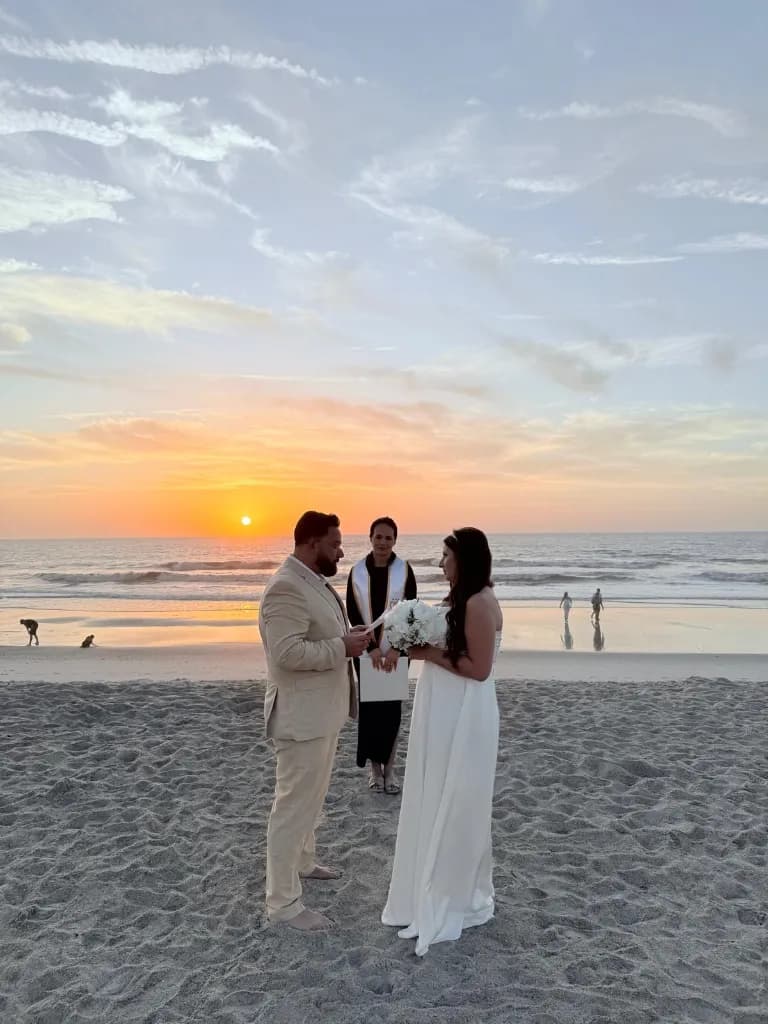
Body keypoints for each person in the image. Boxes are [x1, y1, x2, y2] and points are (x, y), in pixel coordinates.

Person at [382, 527, 502, 956]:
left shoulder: (478, 602)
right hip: (446, 709)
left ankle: (451, 892)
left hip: (466, 713)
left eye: (446, 556)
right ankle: (430, 884)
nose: (440, 563)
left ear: (464, 560)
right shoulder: (462, 599)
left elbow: (480, 668)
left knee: (457, 797)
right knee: (435, 791)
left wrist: (425, 653)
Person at [258, 511, 370, 933]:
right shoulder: (285, 588)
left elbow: (320, 635)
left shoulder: (312, 581)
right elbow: (286, 656)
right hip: (299, 718)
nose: (342, 550)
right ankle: (283, 904)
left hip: (322, 714)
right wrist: (342, 647)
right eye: (335, 544)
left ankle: (303, 862)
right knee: (291, 808)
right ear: (310, 543)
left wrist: (350, 637)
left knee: (313, 799)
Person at [346, 516, 417, 795]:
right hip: (367, 652)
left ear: (395, 541)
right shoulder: (357, 572)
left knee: (392, 712)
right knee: (372, 713)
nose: (383, 542)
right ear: (370, 538)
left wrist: (397, 648)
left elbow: (411, 611)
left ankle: (390, 767)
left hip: (396, 653)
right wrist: (372, 647)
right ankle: (375, 770)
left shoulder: (404, 571)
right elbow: (352, 612)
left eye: (388, 538)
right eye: (379, 537)